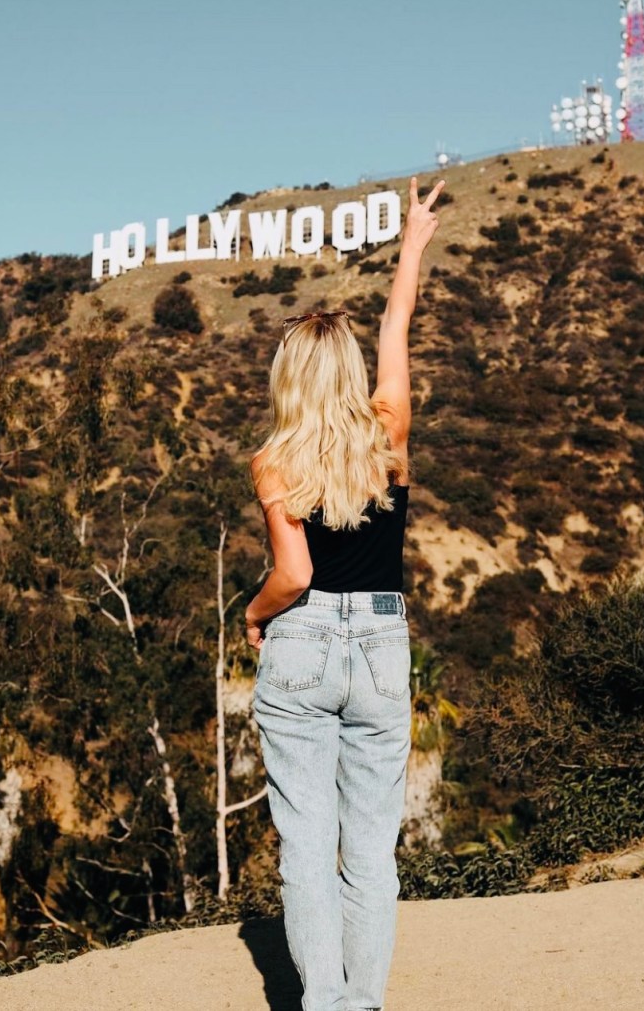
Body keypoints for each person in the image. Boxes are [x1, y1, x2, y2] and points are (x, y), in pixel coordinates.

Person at [245, 176, 445, 1011]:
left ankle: (321, 1004)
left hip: (303, 647)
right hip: (381, 648)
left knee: (306, 847)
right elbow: (397, 324)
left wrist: (253, 618)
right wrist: (412, 245)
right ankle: (362, 1005)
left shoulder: (275, 461)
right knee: (370, 849)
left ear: (291, 376)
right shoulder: (387, 435)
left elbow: (293, 576)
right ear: (352, 371)